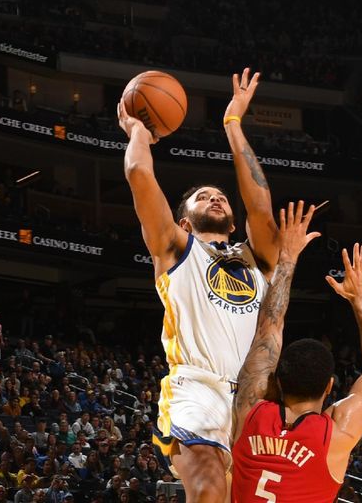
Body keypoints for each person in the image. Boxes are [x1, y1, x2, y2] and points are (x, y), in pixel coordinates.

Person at [119, 68, 279, 503]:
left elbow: (261, 207)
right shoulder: (174, 247)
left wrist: (233, 124)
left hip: (251, 399)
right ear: (185, 219)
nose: (215, 196)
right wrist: (138, 131)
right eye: (202, 195)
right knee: (208, 490)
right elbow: (139, 175)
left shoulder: (256, 259)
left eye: (219, 195)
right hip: (196, 386)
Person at [231, 201, 362, 502]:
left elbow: (270, 326)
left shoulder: (249, 410)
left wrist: (288, 257)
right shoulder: (334, 437)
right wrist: (360, 299)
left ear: (275, 380)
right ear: (330, 386)